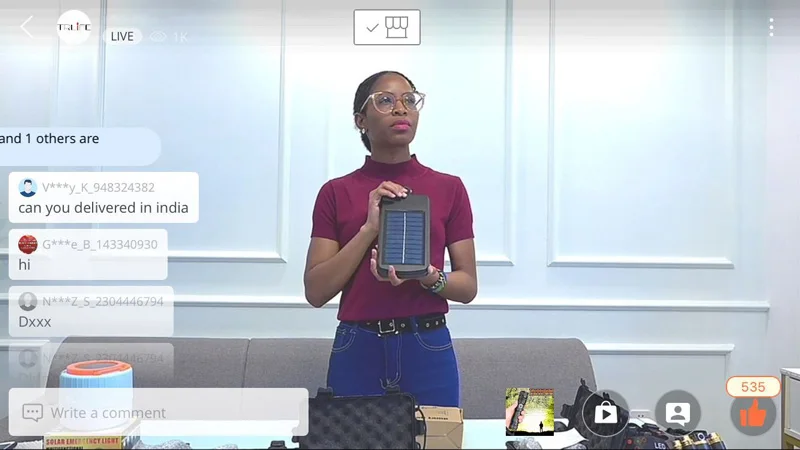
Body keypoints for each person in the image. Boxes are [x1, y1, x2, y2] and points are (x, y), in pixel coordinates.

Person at [303, 71, 478, 407]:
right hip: (358, 346)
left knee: (435, 437)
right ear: (361, 121)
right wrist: (369, 228)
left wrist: (428, 276)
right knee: (352, 437)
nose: (401, 109)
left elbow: (468, 286)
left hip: (427, 344)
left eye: (409, 100)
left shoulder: (450, 188)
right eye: (385, 100)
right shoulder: (335, 192)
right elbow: (316, 291)